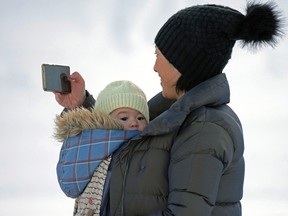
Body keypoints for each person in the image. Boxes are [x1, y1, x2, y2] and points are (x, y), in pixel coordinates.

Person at [54, 2, 285, 215]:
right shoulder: (169, 116)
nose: (155, 67)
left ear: (184, 64)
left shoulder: (205, 128)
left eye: (159, 55)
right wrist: (79, 105)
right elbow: (122, 137)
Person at [54, 80, 149, 215]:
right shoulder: (95, 153)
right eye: (124, 118)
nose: (134, 122)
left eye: (140, 118)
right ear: (105, 122)